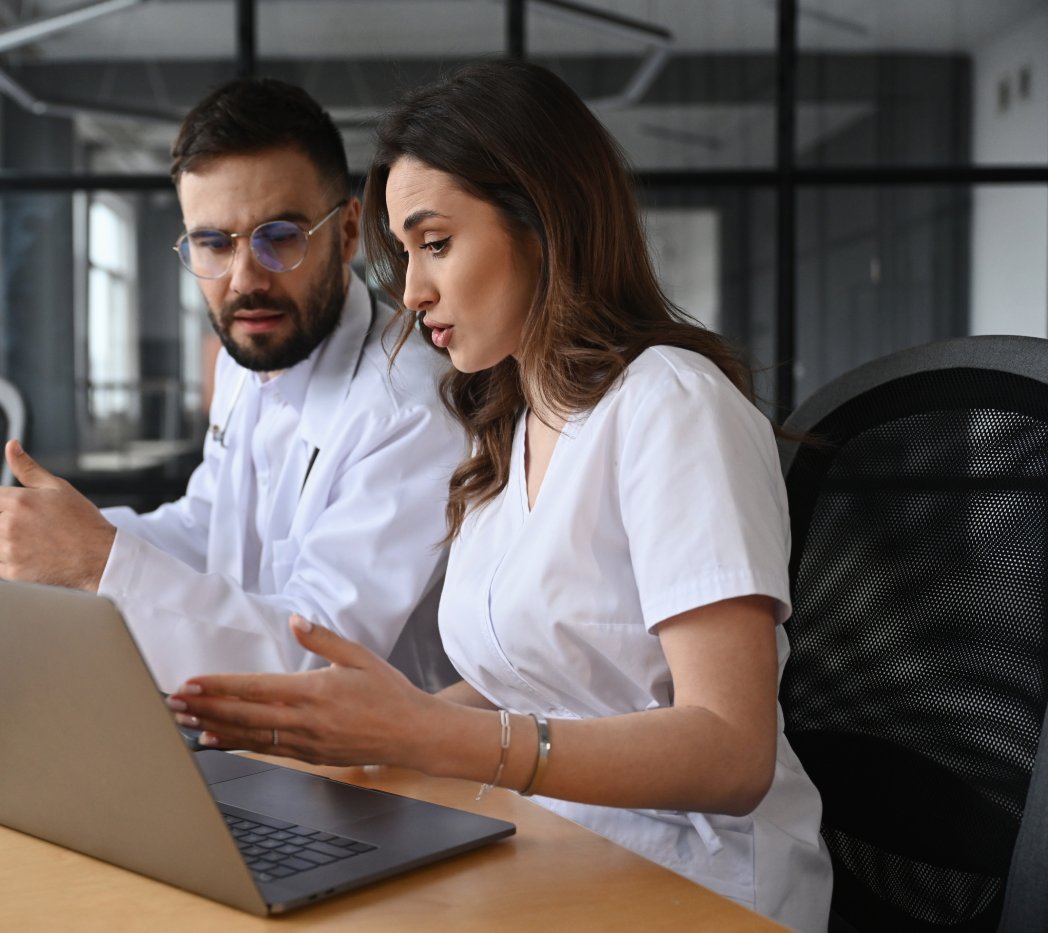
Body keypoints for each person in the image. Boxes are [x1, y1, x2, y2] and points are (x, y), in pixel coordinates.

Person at [164, 61, 833, 932]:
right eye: (404, 254)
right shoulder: (509, 421)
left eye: (436, 243)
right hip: (554, 846)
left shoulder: (671, 404)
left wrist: (432, 738)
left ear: (542, 220)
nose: (411, 291)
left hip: (696, 884)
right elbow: (546, 676)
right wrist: (358, 730)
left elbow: (730, 747)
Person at [0, 77, 462, 692]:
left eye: (280, 238)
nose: (245, 279)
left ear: (347, 232)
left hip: (374, 770)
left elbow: (321, 656)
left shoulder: (410, 407)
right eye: (212, 243)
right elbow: (205, 527)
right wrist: (62, 534)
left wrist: (96, 560)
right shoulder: (249, 355)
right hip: (241, 729)